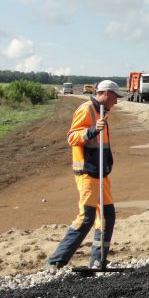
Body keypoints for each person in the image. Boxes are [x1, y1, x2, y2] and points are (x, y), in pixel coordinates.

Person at [47, 80, 124, 271]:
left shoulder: (102, 112)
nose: (116, 102)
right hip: (88, 173)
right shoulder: (86, 109)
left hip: (101, 174)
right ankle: (56, 261)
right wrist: (91, 130)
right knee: (86, 217)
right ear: (106, 93)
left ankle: (98, 260)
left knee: (107, 216)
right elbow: (72, 137)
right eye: (115, 97)